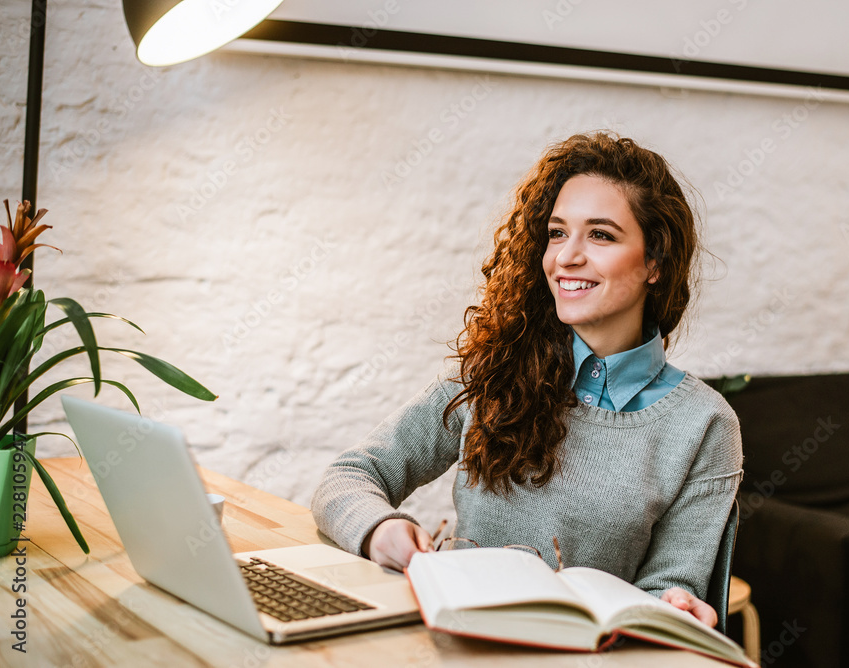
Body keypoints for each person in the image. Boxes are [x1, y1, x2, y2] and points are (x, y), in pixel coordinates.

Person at [311, 132, 743, 628]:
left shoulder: (705, 424)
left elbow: (671, 586)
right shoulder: (494, 372)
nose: (566, 257)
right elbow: (349, 476)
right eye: (557, 233)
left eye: (600, 235)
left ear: (654, 263)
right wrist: (378, 528)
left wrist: (676, 605)